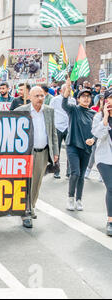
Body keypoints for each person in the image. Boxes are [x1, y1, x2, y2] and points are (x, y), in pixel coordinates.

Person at [15, 86, 59, 228]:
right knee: (27, 182)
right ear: (30, 97)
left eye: (42, 96)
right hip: (27, 154)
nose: (40, 98)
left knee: (37, 182)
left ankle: (31, 206)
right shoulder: (21, 111)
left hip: (43, 152)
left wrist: (55, 152)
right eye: (37, 96)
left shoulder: (49, 111)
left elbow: (53, 133)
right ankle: (25, 211)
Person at [62, 78, 97, 212]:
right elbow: (64, 104)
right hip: (73, 146)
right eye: (83, 96)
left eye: (88, 97)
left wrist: (93, 139)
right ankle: (70, 198)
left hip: (87, 148)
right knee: (75, 173)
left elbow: (98, 131)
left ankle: (79, 199)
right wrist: (67, 90)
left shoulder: (94, 114)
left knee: (82, 176)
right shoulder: (74, 110)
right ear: (78, 99)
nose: (86, 99)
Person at [91, 89, 112, 236]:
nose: (110, 101)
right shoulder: (98, 116)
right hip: (104, 158)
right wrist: (105, 117)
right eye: (108, 99)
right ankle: (110, 221)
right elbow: (98, 134)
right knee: (111, 187)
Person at [49, 84, 76, 179]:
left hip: (68, 127)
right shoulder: (55, 100)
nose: (68, 91)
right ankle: (56, 170)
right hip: (58, 126)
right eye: (66, 89)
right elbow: (50, 112)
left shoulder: (73, 100)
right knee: (57, 150)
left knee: (70, 150)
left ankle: (69, 171)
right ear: (61, 90)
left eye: (69, 89)